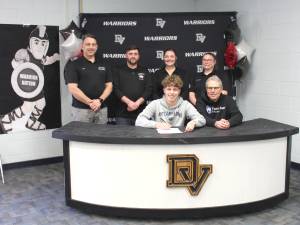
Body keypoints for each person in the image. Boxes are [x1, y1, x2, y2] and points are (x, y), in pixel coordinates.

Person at [0, 25, 60, 133]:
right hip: (28, 87)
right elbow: (16, 66)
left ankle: (31, 121)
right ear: (31, 43)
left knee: (41, 104)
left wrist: (55, 58)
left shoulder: (41, 58)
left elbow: (48, 60)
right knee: (27, 107)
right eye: (36, 42)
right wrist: (17, 59)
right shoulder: (27, 55)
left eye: (43, 43)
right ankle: (6, 119)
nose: (39, 46)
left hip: (38, 87)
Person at [65, 34, 113, 124]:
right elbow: (72, 88)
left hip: (101, 109)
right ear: (82, 47)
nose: (91, 47)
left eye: (93, 44)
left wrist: (99, 100)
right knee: (81, 137)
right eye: (88, 44)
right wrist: (90, 102)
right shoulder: (73, 65)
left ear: (97, 47)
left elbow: (109, 86)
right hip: (81, 110)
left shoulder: (105, 64)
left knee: (100, 137)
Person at [135, 75, 206, 132]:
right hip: (159, 140)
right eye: (168, 89)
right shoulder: (155, 104)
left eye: (175, 89)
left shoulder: (185, 104)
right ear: (164, 90)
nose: (171, 92)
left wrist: (193, 122)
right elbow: (139, 121)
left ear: (179, 91)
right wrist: (156, 124)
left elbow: (202, 119)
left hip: (179, 140)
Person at [113, 45, 152, 125]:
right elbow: (115, 89)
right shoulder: (118, 70)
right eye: (130, 54)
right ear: (126, 55)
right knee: (123, 137)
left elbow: (149, 89)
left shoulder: (144, 70)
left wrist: (137, 103)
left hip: (141, 113)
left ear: (139, 56)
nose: (133, 56)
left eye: (135, 54)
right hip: (122, 114)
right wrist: (129, 103)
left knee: (140, 136)